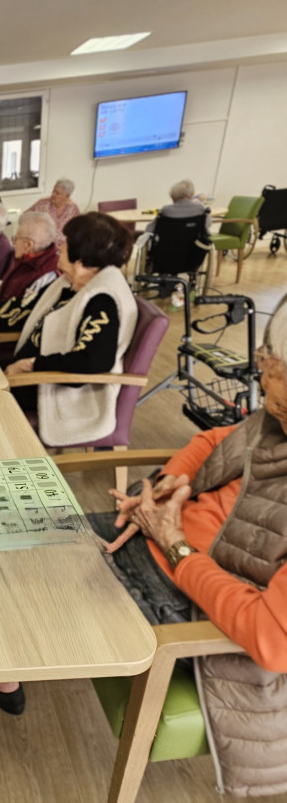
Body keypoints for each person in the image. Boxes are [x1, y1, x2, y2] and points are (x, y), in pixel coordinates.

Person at [89, 297, 287, 797]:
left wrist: (175, 545)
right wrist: (171, 482)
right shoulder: (275, 418)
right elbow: (220, 439)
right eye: (269, 372)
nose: (268, 389)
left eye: (282, 390)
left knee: (15, 587)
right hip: (165, 551)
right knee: (17, 540)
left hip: (190, 606)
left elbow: (272, 639)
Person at [0, 212, 137, 446]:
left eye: (66, 246)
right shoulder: (69, 284)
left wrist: (31, 365)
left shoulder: (103, 299)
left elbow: (92, 362)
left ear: (80, 261)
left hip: (49, 388)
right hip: (30, 373)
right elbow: (24, 308)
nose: (60, 250)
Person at [0, 211, 60, 308]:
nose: (14, 244)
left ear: (28, 245)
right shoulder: (27, 258)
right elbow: (7, 284)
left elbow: (17, 312)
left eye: (16, 239)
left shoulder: (47, 275)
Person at [29, 178, 79, 251]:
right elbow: (24, 218)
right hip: (43, 247)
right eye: (53, 191)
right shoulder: (42, 204)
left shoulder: (73, 208)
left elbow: (78, 230)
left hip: (64, 249)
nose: (53, 194)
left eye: (57, 193)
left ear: (67, 196)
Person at [145, 178, 211, 233]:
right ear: (192, 194)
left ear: (172, 197)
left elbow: (149, 229)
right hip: (195, 247)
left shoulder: (166, 210)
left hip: (168, 247)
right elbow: (207, 225)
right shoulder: (200, 209)